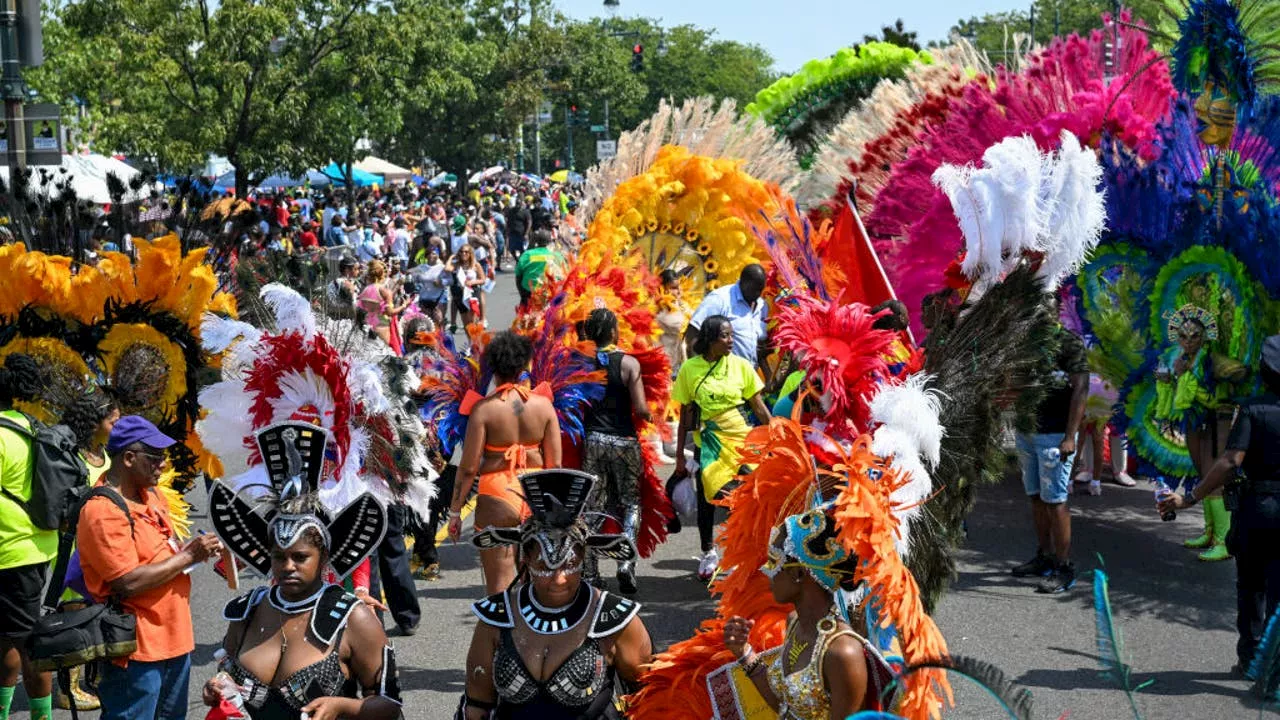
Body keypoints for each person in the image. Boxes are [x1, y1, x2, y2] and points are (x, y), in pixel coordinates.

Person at [204, 422, 401, 720]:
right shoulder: (249, 610)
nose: (287, 567)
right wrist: (217, 687)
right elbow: (228, 671)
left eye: (300, 557)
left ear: (323, 558)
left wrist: (344, 706)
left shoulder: (354, 618)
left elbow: (389, 704)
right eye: (279, 557)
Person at [458, 469, 652, 720]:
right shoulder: (497, 618)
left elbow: (651, 701)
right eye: (544, 566)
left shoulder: (613, 620)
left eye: (569, 564)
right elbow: (477, 705)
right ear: (526, 559)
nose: (558, 578)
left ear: (583, 556)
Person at [77, 416, 223, 719]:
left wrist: (192, 552)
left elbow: (161, 553)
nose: (163, 465)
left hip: (175, 637)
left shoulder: (152, 495)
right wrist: (189, 556)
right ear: (129, 458)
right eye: (155, 457)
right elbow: (126, 581)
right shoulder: (103, 510)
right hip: (136, 649)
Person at [1159, 334, 1280, 683]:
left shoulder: (1253, 410)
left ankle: (1252, 659)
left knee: (1252, 586)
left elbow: (1230, 461)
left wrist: (1190, 498)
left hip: (1258, 509)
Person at [722, 504, 894, 719]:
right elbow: (785, 707)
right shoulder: (794, 622)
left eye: (774, 561)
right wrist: (744, 652)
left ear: (798, 573)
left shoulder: (843, 652)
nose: (766, 571)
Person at [448, 332, 562, 594]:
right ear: (524, 365)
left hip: (497, 494)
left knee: (499, 588)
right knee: (538, 585)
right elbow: (555, 465)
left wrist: (455, 512)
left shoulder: (484, 410)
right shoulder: (544, 405)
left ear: (494, 369)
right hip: (537, 491)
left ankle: (503, 635)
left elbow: (468, 469)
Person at [670, 315, 772, 580]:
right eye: (725, 336)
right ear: (710, 339)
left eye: (731, 335)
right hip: (710, 444)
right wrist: (680, 456)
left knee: (749, 499)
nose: (730, 341)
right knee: (711, 496)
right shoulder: (689, 369)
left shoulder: (741, 366)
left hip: (744, 441)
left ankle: (744, 553)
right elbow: (684, 416)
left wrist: (780, 438)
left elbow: (759, 407)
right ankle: (708, 552)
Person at [52, 387, 121, 711]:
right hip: (75, 550)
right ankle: (68, 688)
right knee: (74, 616)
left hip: (101, 546)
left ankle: (90, 680)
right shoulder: (73, 455)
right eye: (113, 421)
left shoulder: (104, 453)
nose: (117, 427)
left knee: (95, 613)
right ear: (95, 422)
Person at [1010, 316, 1089, 594]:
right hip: (1028, 432)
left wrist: (1070, 436)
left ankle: (1063, 566)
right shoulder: (1024, 340)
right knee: (1036, 497)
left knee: (1055, 500)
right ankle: (1044, 556)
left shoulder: (1068, 343)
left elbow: (1081, 389)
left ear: (1054, 309)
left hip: (1055, 436)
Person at [580, 309, 651, 594]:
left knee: (592, 506)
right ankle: (625, 564)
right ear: (613, 332)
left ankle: (590, 571)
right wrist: (651, 416)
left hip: (593, 441)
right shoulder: (630, 364)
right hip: (624, 442)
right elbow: (642, 409)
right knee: (630, 503)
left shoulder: (581, 365)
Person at [0, 354, 54, 720]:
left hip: (11, 552)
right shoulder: (32, 426)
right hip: (33, 549)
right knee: (10, 638)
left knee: (29, 642)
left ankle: (42, 715)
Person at [686, 264, 770, 375]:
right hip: (720, 376)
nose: (758, 294)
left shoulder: (762, 306)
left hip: (749, 379)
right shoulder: (720, 299)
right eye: (754, 290)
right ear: (743, 282)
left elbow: (759, 346)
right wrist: (698, 373)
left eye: (760, 290)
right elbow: (693, 331)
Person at [359, 260, 415, 354]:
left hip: (367, 327)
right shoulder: (384, 291)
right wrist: (404, 305)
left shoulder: (365, 291)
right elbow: (390, 312)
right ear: (382, 274)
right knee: (388, 357)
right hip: (382, 327)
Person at [513, 230, 562, 306]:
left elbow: (518, 275)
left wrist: (522, 296)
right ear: (550, 242)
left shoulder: (527, 254)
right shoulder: (557, 255)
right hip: (551, 294)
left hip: (529, 293)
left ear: (536, 241)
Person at [447, 245, 485, 330]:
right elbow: (447, 268)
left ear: (470, 253)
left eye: (466, 252)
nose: (464, 254)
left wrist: (472, 282)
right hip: (460, 294)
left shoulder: (476, 265)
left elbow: (483, 280)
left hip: (472, 294)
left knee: (472, 322)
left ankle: (475, 341)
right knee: (466, 325)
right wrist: (451, 257)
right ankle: (470, 342)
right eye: (461, 252)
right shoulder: (457, 265)